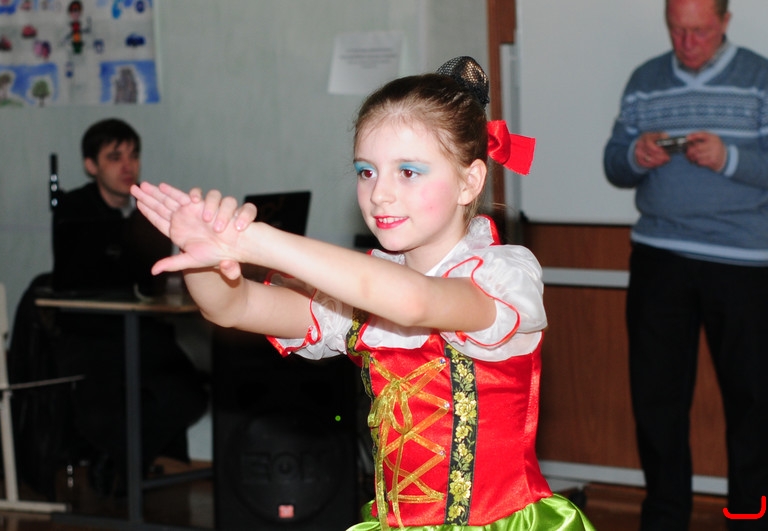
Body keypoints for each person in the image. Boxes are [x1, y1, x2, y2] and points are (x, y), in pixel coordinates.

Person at [132, 57, 595, 530]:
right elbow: (235, 306)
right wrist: (202, 256)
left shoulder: (501, 276)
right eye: (366, 171)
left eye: (408, 172)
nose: (379, 194)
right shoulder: (364, 290)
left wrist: (255, 240)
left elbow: (414, 302)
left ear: (469, 181)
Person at [603, 1, 768, 529]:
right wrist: (636, 156)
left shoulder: (759, 78)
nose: (687, 43)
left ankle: (750, 517)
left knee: (753, 399)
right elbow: (613, 163)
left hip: (744, 262)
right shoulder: (645, 80)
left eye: (699, 31)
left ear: (725, 22)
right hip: (659, 256)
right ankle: (665, 517)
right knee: (657, 398)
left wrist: (729, 158)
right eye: (677, 30)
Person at [50, 118, 208, 496]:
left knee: (189, 395)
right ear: (91, 165)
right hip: (91, 335)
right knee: (102, 407)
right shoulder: (74, 209)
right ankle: (124, 464)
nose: (128, 166)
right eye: (115, 156)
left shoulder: (145, 211)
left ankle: (120, 461)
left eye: (133, 155)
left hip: (141, 329)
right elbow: (76, 278)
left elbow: (149, 280)